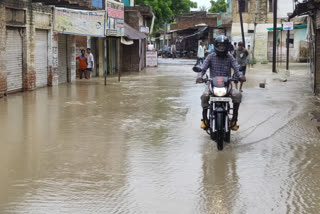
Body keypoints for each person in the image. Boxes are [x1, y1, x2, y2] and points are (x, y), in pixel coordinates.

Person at [196, 35, 246, 131]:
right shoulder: (210, 56)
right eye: (219, 45)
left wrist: (240, 76)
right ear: (216, 46)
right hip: (212, 84)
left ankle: (234, 120)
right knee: (204, 96)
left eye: (223, 45)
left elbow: (236, 67)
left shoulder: (230, 57)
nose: (221, 47)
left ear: (227, 46)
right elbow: (203, 68)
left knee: (238, 95)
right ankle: (205, 120)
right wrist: (199, 77)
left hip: (227, 84)